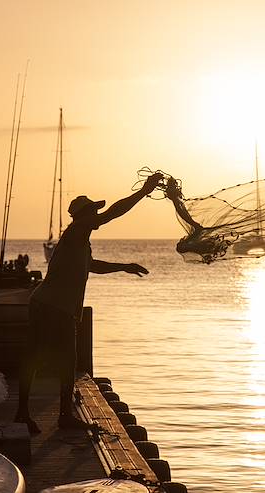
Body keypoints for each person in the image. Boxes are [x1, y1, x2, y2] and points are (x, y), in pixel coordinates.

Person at [14, 172, 164, 434]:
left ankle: (56, 415)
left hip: (54, 306)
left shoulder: (80, 241)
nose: (97, 218)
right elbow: (113, 213)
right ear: (83, 216)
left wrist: (124, 266)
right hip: (51, 306)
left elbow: (93, 266)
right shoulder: (75, 231)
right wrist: (144, 191)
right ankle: (35, 414)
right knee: (44, 358)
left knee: (63, 360)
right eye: (93, 212)